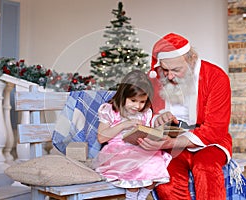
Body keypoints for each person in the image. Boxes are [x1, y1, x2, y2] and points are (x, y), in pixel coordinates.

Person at [137, 33, 232, 199]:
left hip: (209, 142)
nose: (170, 76)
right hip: (170, 139)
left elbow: (216, 129)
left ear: (192, 59)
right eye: (165, 70)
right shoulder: (155, 77)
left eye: (176, 70)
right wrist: (157, 119)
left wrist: (174, 142)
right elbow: (144, 110)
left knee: (206, 168)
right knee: (167, 180)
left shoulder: (216, 77)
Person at [93, 70, 172, 200]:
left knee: (156, 161)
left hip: (139, 146)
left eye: (142, 102)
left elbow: (148, 131)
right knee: (132, 163)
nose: (137, 106)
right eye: (133, 100)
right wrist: (124, 125)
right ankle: (131, 196)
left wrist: (154, 132)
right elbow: (101, 137)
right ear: (123, 95)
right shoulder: (110, 110)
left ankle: (142, 196)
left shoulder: (145, 112)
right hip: (118, 149)